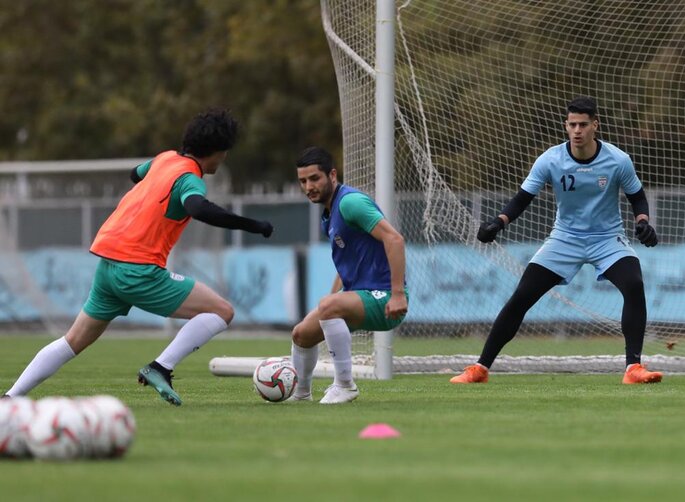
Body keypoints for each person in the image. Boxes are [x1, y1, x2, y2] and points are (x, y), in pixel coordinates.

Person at [3, 108, 273, 405]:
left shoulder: (165, 159)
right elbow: (198, 207)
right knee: (223, 312)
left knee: (73, 340)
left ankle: (10, 396)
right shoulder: (190, 178)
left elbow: (136, 174)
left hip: (108, 264)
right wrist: (253, 225)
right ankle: (161, 367)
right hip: (138, 269)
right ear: (218, 152)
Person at [450, 96, 663, 385]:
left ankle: (633, 369)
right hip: (564, 239)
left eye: (583, 125)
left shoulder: (617, 160)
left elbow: (637, 196)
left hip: (607, 239)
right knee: (522, 296)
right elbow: (523, 198)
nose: (577, 130)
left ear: (594, 126)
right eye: (572, 124)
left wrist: (642, 222)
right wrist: (499, 222)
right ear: (566, 125)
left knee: (634, 285)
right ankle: (480, 368)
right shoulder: (550, 159)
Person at [291, 146, 408, 404]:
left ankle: (345, 385)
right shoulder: (328, 214)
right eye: (302, 181)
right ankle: (299, 395)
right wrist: (330, 303)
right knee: (301, 334)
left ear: (332, 175)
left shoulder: (350, 203)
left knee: (327, 306)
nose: (308, 186)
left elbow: (395, 239)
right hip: (359, 295)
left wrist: (398, 294)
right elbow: (348, 265)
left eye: (314, 178)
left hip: (384, 296)